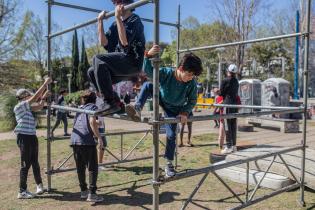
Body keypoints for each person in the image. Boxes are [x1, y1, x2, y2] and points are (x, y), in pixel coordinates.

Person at [125, 45, 203, 177]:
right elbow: (149, 73)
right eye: (189, 74)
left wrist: (185, 112)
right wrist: (147, 56)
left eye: (193, 75)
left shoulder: (191, 83)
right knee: (149, 85)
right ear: (180, 69)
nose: (190, 77)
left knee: (172, 135)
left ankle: (169, 164)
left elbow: (192, 100)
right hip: (162, 98)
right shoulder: (167, 73)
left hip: (174, 110)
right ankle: (137, 108)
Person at [87, 0, 145, 115]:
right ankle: (117, 104)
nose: (115, 5)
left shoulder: (135, 20)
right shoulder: (115, 25)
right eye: (114, 3)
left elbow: (124, 42)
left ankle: (109, 103)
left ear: (125, 3)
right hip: (120, 65)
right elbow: (104, 43)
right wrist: (100, 22)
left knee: (98, 58)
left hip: (132, 63)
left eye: (117, 2)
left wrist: (118, 18)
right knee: (92, 71)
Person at [14, 77, 52, 199]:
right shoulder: (19, 106)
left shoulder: (27, 108)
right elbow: (35, 98)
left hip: (31, 137)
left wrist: (44, 97)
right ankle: (22, 191)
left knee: (35, 162)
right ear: (24, 97)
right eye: (27, 96)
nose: (29, 98)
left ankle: (39, 185)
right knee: (25, 164)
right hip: (24, 138)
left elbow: (40, 106)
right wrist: (45, 84)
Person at [70, 90, 104, 202]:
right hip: (86, 140)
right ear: (94, 100)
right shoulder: (93, 107)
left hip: (75, 140)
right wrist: (99, 137)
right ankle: (92, 194)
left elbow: (79, 123)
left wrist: (96, 123)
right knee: (93, 167)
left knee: (80, 167)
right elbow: (91, 122)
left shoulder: (79, 108)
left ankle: (83, 191)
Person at [220, 64, 239, 154]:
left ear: (228, 71)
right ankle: (234, 145)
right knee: (233, 125)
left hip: (227, 104)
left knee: (227, 125)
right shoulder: (236, 81)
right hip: (234, 105)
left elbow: (221, 93)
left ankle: (228, 146)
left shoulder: (225, 80)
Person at [95, 94, 107, 171]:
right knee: (101, 144)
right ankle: (99, 164)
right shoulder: (95, 99)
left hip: (102, 124)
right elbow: (92, 113)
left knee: (102, 144)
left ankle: (99, 163)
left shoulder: (102, 98)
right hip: (97, 125)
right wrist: (96, 122)